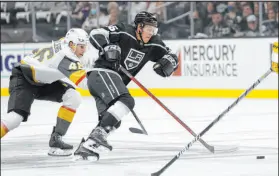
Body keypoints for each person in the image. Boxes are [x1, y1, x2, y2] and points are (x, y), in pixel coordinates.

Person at [74, 11, 179, 161]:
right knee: (127, 101)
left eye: (153, 30)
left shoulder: (154, 43)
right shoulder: (124, 31)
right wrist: (107, 46)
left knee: (111, 121)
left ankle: (86, 148)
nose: (151, 33)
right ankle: (97, 137)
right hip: (102, 73)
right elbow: (96, 33)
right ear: (139, 27)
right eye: (148, 29)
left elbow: (170, 54)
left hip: (107, 81)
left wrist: (171, 60)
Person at [1, 28, 91, 157]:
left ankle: (56, 140)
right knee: (15, 118)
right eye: (81, 47)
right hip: (24, 77)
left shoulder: (65, 44)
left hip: (42, 81)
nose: (84, 50)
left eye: (85, 47)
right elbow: (85, 84)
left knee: (73, 97)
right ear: (72, 44)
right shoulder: (67, 56)